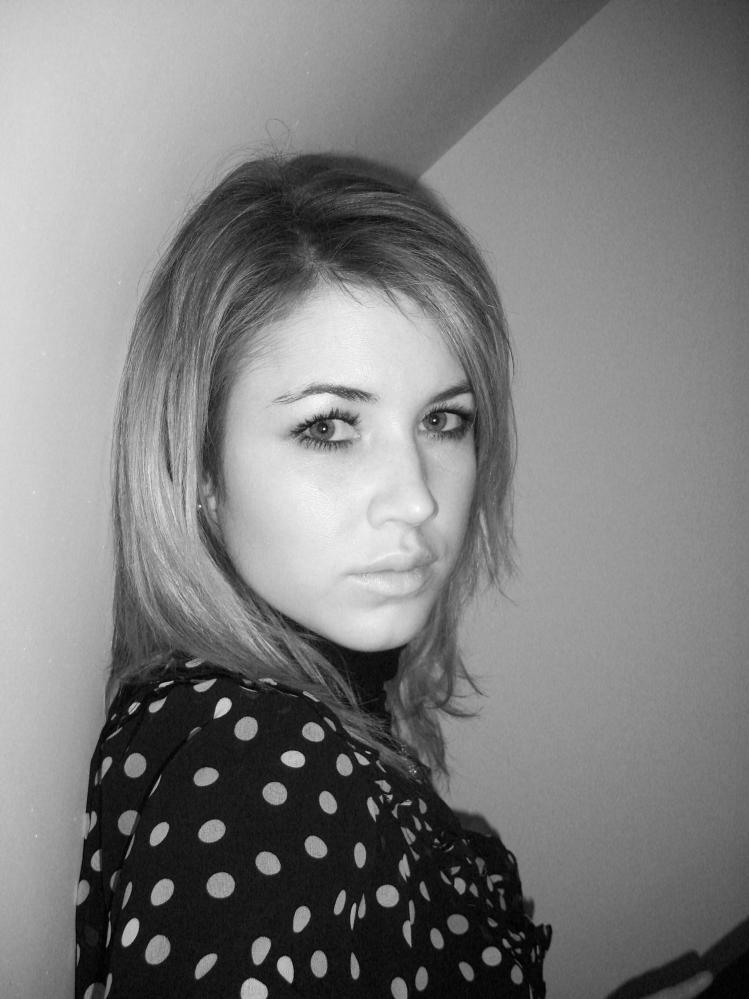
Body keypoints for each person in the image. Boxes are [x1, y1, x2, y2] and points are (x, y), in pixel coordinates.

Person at [74, 154, 714, 999]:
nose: (417, 498)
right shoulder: (255, 761)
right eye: (329, 426)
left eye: (443, 419)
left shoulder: (287, 717)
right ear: (197, 467)